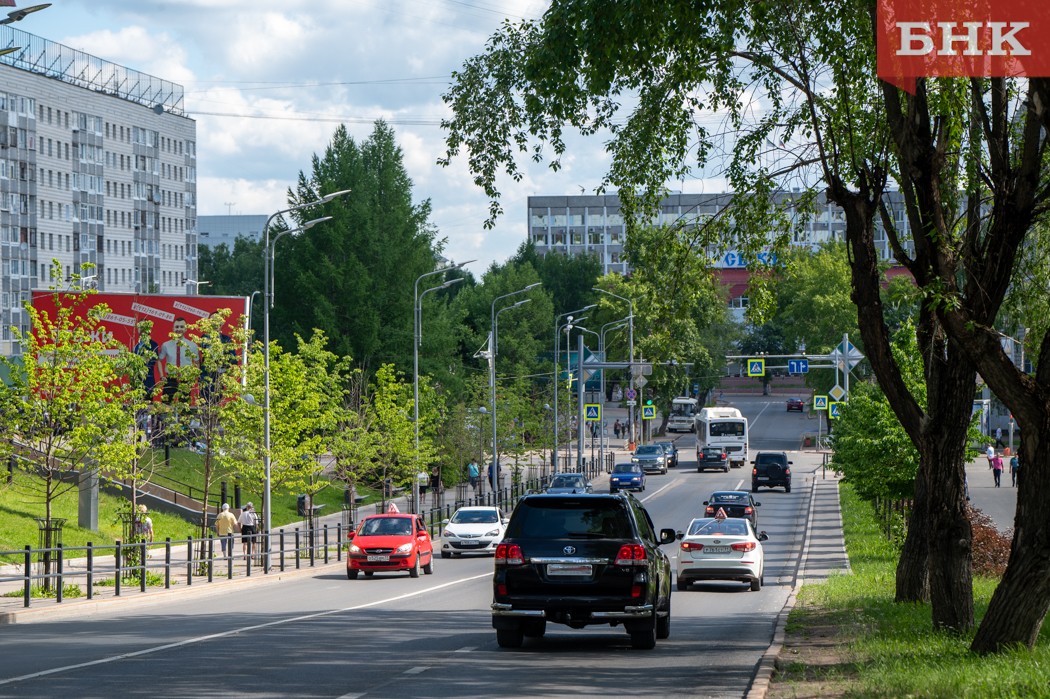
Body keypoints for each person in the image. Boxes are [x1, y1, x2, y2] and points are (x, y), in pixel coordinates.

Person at [158, 317, 200, 403]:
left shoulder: (193, 346)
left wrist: (193, 377)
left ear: (185, 329)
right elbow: (159, 360)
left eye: (181, 327)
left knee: (184, 408)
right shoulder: (166, 345)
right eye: (176, 327)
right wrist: (162, 376)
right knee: (166, 406)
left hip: (186, 379)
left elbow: (196, 362)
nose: (179, 329)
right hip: (170, 378)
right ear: (173, 328)